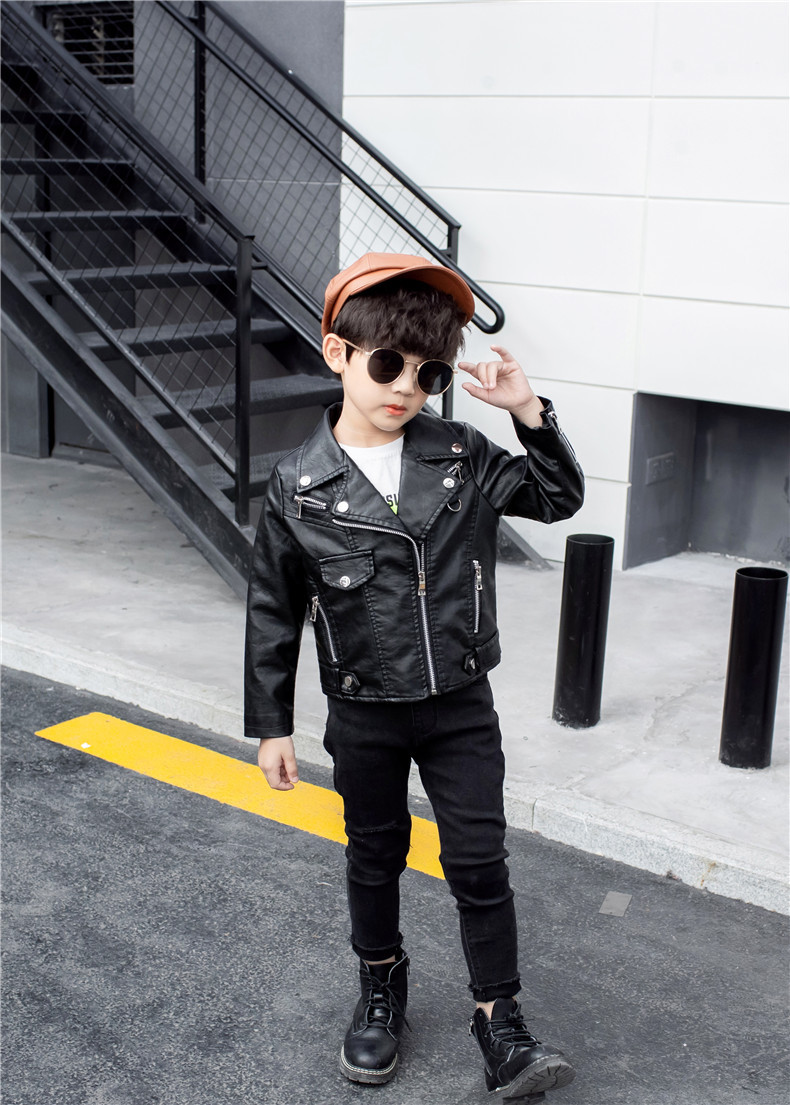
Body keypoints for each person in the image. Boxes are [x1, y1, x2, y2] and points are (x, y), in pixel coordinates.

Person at [245, 252, 584, 1099]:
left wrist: (528, 412)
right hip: (363, 708)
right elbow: (273, 609)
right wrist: (272, 724)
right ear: (338, 353)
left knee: (479, 859)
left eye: (429, 374)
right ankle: (380, 987)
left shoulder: (462, 453)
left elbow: (558, 498)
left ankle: (499, 1018)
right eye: (388, 363)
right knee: (374, 853)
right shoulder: (299, 485)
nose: (406, 387)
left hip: (460, 703)